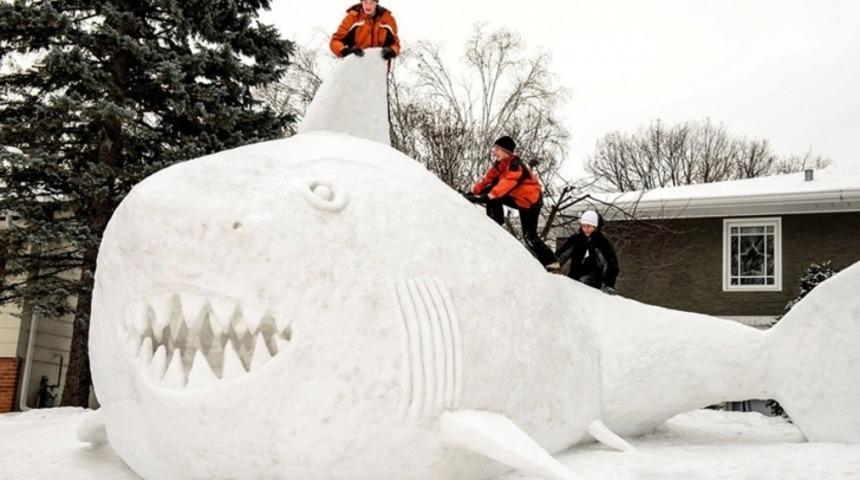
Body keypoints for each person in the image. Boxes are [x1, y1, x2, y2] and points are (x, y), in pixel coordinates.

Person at [466, 136, 560, 270]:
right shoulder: (501, 164)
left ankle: (552, 263)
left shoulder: (515, 166)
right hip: (517, 198)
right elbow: (488, 179)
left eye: (497, 149)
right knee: (491, 191)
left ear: (506, 151)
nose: (494, 152)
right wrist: (473, 192)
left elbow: (506, 183)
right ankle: (494, 222)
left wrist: (488, 197)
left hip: (531, 203)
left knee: (529, 236)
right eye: (494, 148)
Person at [555, 210, 620, 295]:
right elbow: (561, 256)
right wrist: (552, 267)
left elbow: (610, 264)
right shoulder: (576, 240)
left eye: (589, 226)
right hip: (573, 282)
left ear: (595, 227)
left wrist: (608, 284)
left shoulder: (602, 244)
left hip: (593, 286)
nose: (586, 229)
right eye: (583, 226)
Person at [330, 0, 400, 60]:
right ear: (361, 2)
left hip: (379, 70)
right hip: (356, 67)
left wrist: (392, 51)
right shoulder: (351, 18)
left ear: (376, 2)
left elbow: (395, 44)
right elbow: (335, 41)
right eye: (366, 2)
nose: (368, 6)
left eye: (371, 2)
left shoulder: (388, 19)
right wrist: (345, 51)